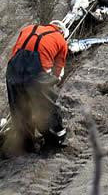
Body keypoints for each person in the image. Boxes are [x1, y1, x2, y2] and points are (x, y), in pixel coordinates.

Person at [5, 21, 69, 153]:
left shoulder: (28, 28)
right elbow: (58, 71)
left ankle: (26, 144)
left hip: (13, 69)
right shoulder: (61, 41)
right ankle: (54, 141)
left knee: (19, 108)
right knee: (46, 108)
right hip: (36, 74)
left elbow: (16, 50)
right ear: (62, 32)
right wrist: (52, 82)